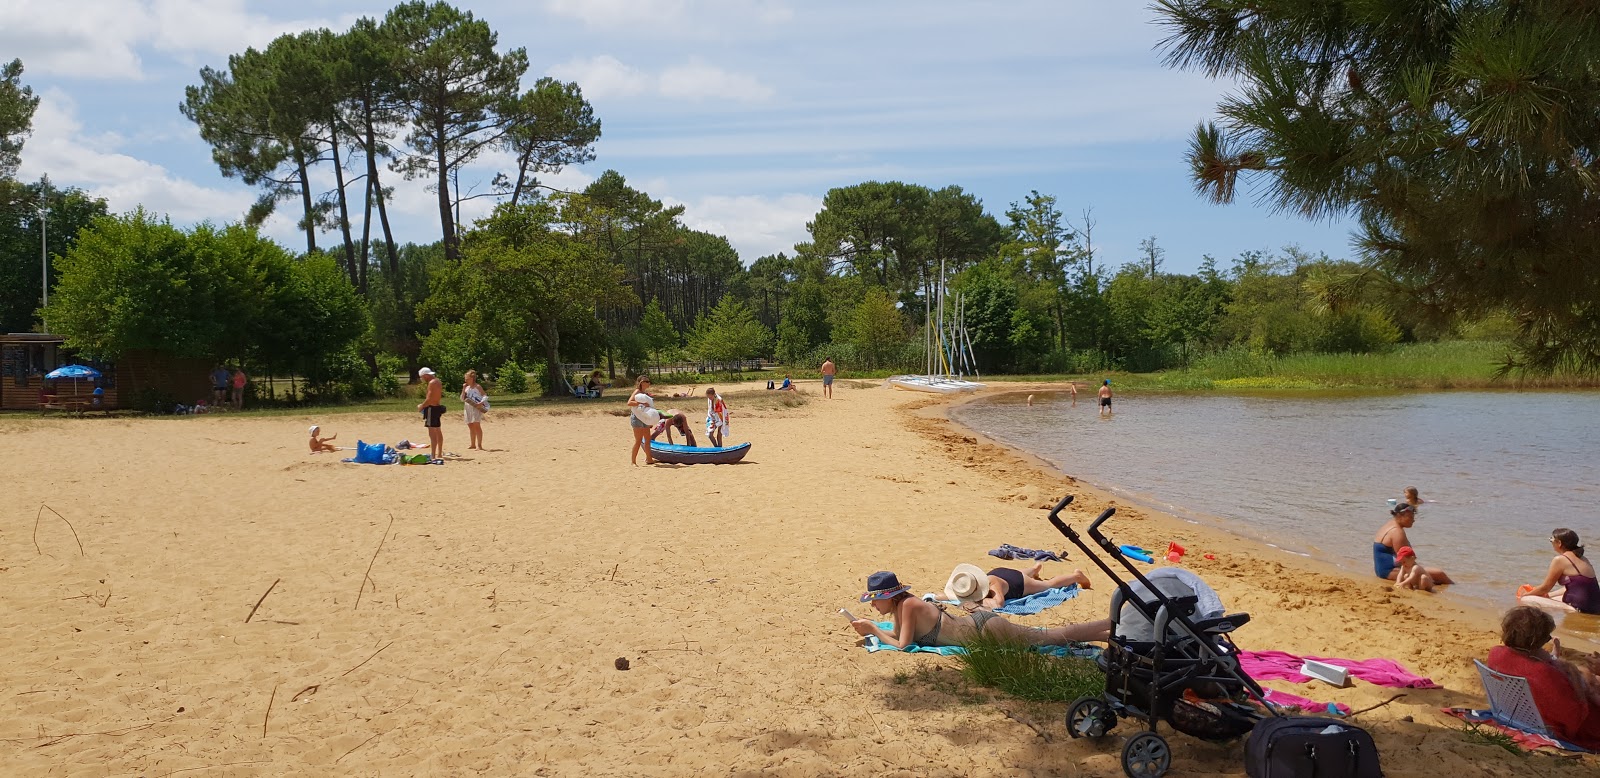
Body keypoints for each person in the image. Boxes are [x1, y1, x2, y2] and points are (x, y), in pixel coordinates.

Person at [849, 571, 1112, 649]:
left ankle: (1111, 623)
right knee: (1050, 635)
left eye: (874, 600)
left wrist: (872, 628)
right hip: (981, 626)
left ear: (890, 596)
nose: (873, 605)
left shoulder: (908, 605)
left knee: (1052, 636)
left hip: (986, 631)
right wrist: (873, 627)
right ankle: (1108, 632)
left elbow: (902, 645)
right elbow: (897, 638)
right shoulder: (902, 606)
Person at [1486, 606, 1600, 749]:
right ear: (1536, 642)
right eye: (1546, 637)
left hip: (1516, 713)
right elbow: (1574, 719)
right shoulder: (1544, 673)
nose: (1547, 640)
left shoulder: (1496, 653)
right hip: (1561, 727)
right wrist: (1578, 684)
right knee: (1590, 680)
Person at [946, 563, 1093, 611]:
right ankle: (1034, 569)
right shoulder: (969, 584)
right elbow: (944, 595)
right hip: (1002, 573)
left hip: (1018, 583)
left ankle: (1077, 576)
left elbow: (999, 603)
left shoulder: (992, 586)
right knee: (1020, 573)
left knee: (1047, 585)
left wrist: (973, 602)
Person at [1520, 529, 1600, 615]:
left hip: (1579, 608)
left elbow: (1545, 587)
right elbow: (1578, 586)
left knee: (1526, 599)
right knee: (1550, 597)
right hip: (1595, 606)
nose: (1551, 542)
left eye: (1551, 540)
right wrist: (1548, 595)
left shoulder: (1560, 560)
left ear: (1559, 543)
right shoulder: (1583, 558)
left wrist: (1525, 594)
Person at [1373, 501, 1454, 585]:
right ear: (1400, 516)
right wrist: (1421, 571)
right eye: (1411, 517)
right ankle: (1453, 588)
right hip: (1389, 572)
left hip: (1381, 570)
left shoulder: (1390, 524)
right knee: (1440, 574)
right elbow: (1406, 560)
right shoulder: (1397, 532)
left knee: (1431, 577)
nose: (1413, 520)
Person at [628, 375, 660, 465]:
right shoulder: (637, 392)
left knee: (647, 439)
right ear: (642, 383)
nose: (649, 383)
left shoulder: (644, 393)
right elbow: (629, 402)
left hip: (644, 417)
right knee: (638, 440)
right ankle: (633, 462)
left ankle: (649, 459)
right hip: (637, 418)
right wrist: (640, 403)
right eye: (647, 381)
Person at [416, 367, 444, 460]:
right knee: (438, 430)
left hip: (431, 408)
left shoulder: (431, 383)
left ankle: (433, 454)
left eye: (422, 377)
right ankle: (439, 453)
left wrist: (422, 406)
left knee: (432, 432)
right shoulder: (438, 381)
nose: (422, 379)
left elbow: (429, 399)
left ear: (426, 375)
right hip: (437, 407)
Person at [462, 369, 488, 450]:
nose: (465, 380)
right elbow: (462, 398)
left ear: (472, 378)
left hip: (476, 407)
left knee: (476, 425)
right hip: (468, 407)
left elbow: (485, 396)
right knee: (470, 425)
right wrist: (463, 389)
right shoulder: (466, 388)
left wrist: (481, 402)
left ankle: (479, 445)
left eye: (467, 378)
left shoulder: (477, 387)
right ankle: (472, 444)